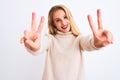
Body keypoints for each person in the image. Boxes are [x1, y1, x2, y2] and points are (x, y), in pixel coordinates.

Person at [20, 4, 113, 80]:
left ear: (70, 18)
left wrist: (97, 42)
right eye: (58, 20)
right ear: (53, 24)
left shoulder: (78, 39)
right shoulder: (50, 39)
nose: (63, 23)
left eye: (65, 17)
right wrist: (34, 46)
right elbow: (40, 45)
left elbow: (89, 43)